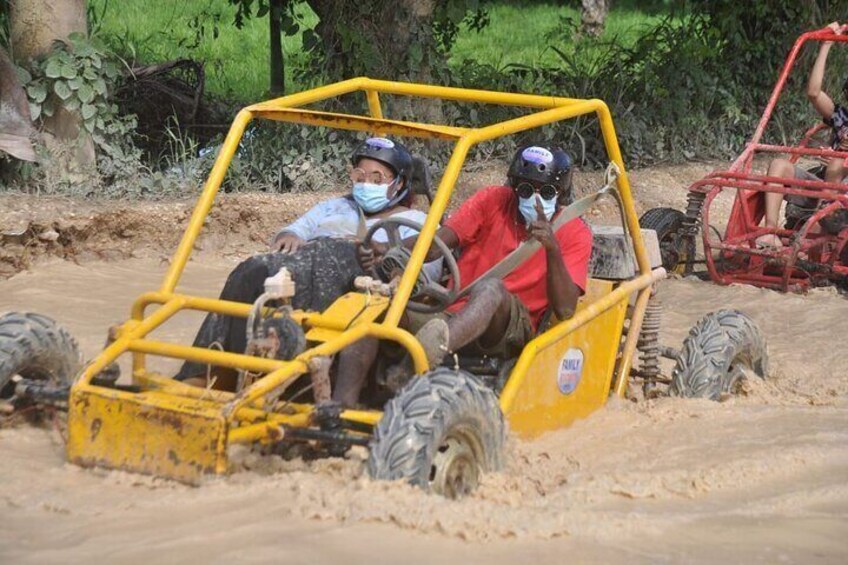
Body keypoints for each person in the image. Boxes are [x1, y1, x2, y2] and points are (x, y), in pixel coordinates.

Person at [332, 145, 594, 407]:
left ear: (560, 195)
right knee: (375, 302)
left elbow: (566, 309)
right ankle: (338, 407)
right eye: (526, 190)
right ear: (514, 187)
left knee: (491, 288)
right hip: (454, 311)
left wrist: (552, 248)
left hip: (509, 328)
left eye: (546, 192)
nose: (535, 199)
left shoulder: (574, 231)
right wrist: (387, 249)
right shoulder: (494, 199)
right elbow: (436, 245)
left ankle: (420, 363)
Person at [175, 137, 441, 386]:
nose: (365, 183)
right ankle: (204, 372)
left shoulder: (417, 223)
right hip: (307, 263)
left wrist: (379, 254)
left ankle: (289, 373)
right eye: (359, 176)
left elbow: (423, 273)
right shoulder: (333, 207)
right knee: (250, 270)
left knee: (333, 261)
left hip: (361, 278)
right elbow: (296, 230)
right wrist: (288, 236)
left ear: (400, 184)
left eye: (377, 178)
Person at [759, 21, 847, 248]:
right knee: (779, 164)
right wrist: (826, 45)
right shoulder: (841, 116)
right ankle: (771, 232)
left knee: (837, 165)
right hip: (827, 186)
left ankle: (819, 229)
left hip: (840, 192)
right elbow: (814, 92)